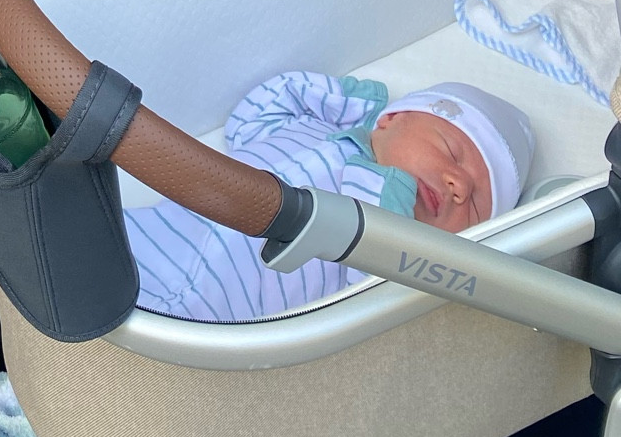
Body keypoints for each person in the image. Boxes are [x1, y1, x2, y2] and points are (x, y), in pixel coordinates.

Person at [125, 73, 535, 324]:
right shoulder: (313, 129)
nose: (459, 186)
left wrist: (390, 210)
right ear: (391, 119)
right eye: (450, 151)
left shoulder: (400, 249)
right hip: (145, 240)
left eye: (477, 206)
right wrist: (341, 101)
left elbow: (368, 291)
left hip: (204, 319)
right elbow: (253, 116)